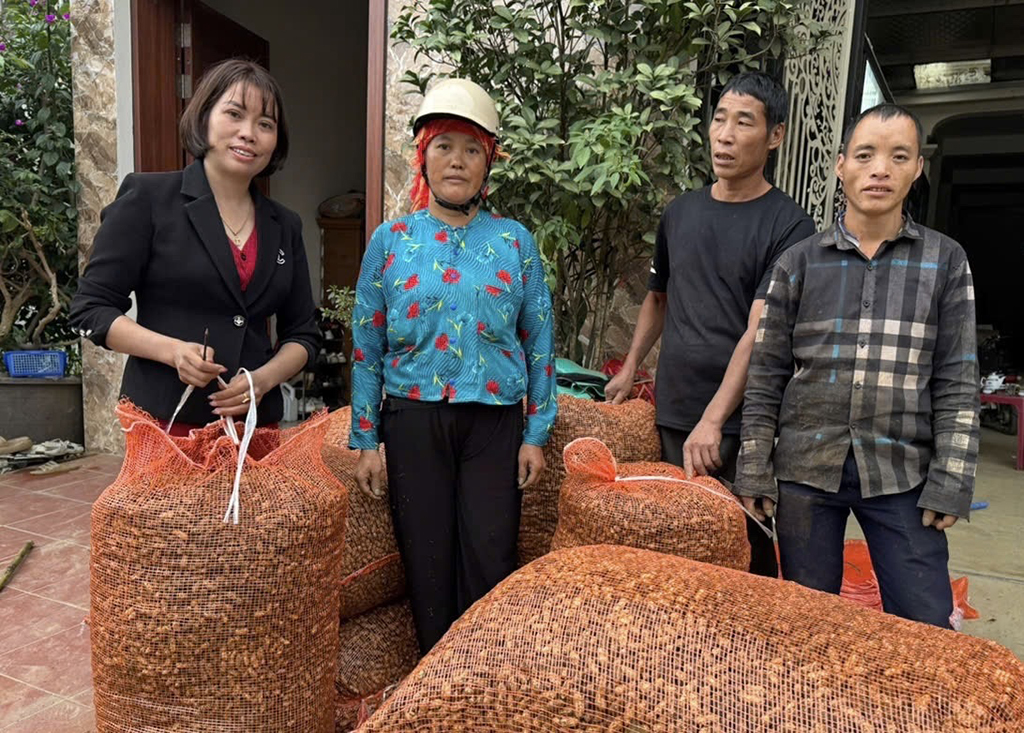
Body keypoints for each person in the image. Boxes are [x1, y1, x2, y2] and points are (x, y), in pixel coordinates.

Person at [733, 104, 979, 628]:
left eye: (899, 156)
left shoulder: (945, 261)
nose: (880, 169)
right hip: (805, 470)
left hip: (903, 473)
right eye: (865, 155)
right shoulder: (798, 263)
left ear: (917, 169)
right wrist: (754, 463)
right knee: (806, 623)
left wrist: (952, 479)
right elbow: (766, 375)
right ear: (841, 166)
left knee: (923, 623)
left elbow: (958, 378)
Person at [348, 79, 557, 652]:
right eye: (443, 146)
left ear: (488, 160)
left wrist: (535, 433)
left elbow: (540, 341)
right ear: (423, 155)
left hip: (493, 423)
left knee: (491, 553)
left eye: (471, 148)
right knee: (426, 556)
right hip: (413, 419)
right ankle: (435, 682)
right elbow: (366, 344)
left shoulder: (514, 242)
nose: (457, 161)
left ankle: (480, 677)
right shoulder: (390, 242)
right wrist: (366, 437)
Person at [604, 72, 814, 577]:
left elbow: (760, 332)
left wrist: (715, 420)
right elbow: (658, 297)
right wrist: (631, 367)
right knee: (676, 545)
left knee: (742, 550)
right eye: (720, 119)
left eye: (744, 122)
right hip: (675, 410)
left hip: (742, 423)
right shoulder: (681, 212)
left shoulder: (790, 225)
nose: (724, 134)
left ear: (775, 136)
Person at [71, 59, 319, 431]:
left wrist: (263, 380)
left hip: (254, 429)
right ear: (204, 117)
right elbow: (90, 310)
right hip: (164, 425)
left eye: (265, 124)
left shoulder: (285, 224)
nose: (249, 133)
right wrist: (173, 351)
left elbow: (303, 333)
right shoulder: (148, 199)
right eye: (234, 114)